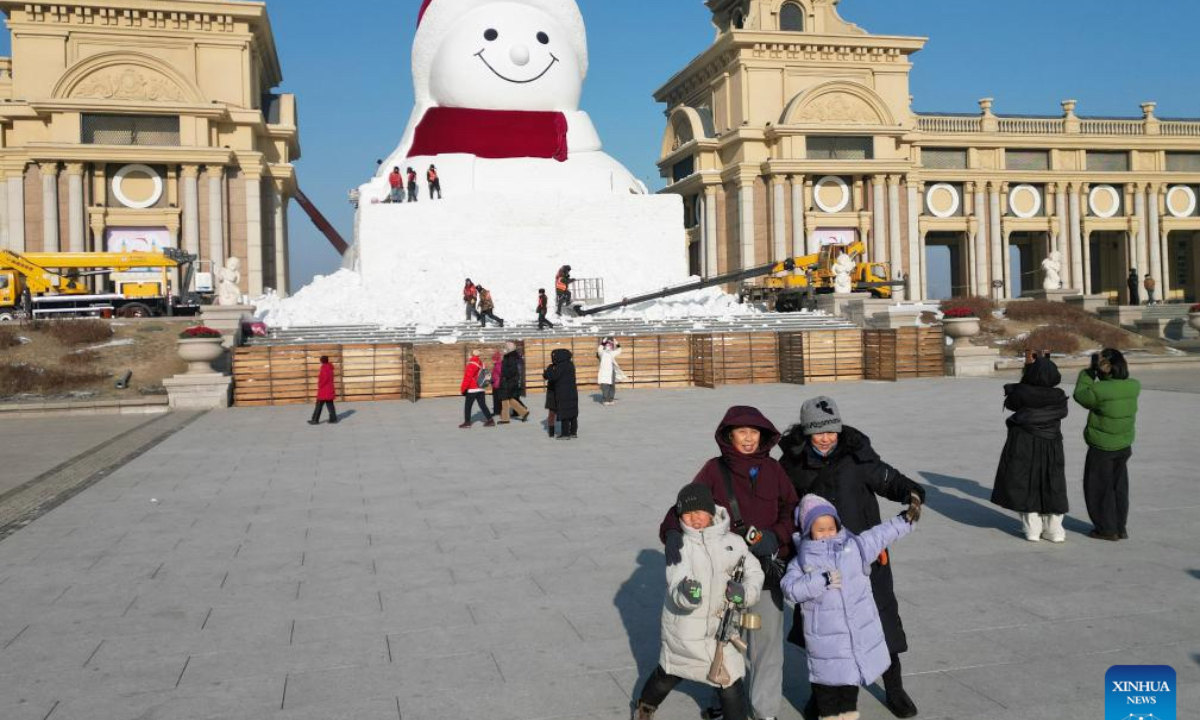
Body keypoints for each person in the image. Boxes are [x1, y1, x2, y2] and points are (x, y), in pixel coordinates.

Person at [778, 396, 925, 719]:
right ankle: (823, 697)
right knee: (822, 635)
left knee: (881, 621)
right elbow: (783, 506)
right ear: (807, 432)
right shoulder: (791, 465)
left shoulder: (856, 455)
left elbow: (888, 479)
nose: (826, 438)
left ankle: (895, 688)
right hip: (817, 563)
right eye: (818, 432)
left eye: (832, 430)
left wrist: (911, 492)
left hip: (864, 556)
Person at [660, 406, 798, 720]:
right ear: (729, 435)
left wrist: (775, 536)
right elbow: (686, 503)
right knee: (722, 638)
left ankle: (765, 711)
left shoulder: (774, 469)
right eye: (742, 432)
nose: (749, 439)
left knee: (766, 646)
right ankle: (724, 701)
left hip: (764, 571)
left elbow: (792, 509)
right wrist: (671, 531)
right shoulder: (714, 469)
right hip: (724, 573)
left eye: (754, 432)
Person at [782, 494, 919, 720]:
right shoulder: (803, 561)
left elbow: (880, 534)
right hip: (825, 650)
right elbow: (790, 588)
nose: (827, 533)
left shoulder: (854, 547)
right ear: (808, 531)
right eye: (820, 529)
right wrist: (821, 580)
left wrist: (906, 520)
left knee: (848, 700)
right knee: (827, 699)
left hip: (852, 648)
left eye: (831, 527)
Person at [633, 483, 764, 720]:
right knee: (668, 674)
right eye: (687, 513)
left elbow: (754, 572)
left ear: (711, 511)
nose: (694, 519)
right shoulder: (680, 545)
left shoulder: (733, 542)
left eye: (699, 512)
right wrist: (688, 594)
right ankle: (645, 707)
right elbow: (676, 581)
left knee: (731, 685)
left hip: (722, 630)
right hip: (686, 631)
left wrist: (744, 592)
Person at [991, 352, 1069, 542]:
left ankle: (1032, 529)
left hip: (1023, 442)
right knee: (1053, 482)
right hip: (1051, 443)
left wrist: (1023, 381)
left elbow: (1011, 403)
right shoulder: (1059, 396)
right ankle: (1055, 530)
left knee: (1024, 482)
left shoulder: (1022, 393)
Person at [1074, 349, 1140, 541]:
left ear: (1107, 367)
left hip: (1102, 447)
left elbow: (1081, 395)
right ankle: (1120, 527)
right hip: (1123, 444)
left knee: (1099, 489)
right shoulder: (1134, 386)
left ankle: (1106, 529)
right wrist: (1103, 373)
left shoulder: (1099, 390)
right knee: (1119, 487)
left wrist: (1088, 373)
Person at [543, 348, 578, 438]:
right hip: (572, 392)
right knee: (572, 413)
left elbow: (554, 377)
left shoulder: (560, 366)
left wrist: (546, 373)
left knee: (564, 412)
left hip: (563, 392)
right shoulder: (570, 364)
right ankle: (573, 432)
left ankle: (565, 433)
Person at [459, 350, 495, 428]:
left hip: (472, 389)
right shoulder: (481, 363)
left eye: (470, 354)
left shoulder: (471, 364)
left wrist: (463, 389)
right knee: (483, 405)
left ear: (472, 355)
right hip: (481, 387)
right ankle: (490, 420)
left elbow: (467, 378)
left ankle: (467, 422)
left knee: (468, 406)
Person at [498, 341, 530, 423]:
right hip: (510, 381)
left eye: (505, 347)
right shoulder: (511, 356)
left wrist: (505, 375)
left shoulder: (510, 357)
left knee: (505, 399)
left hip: (508, 381)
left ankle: (505, 419)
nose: (504, 349)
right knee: (510, 399)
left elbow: (512, 370)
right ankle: (524, 412)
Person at [308, 355, 338, 425]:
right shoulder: (330, 368)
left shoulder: (324, 368)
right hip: (329, 389)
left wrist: (320, 385)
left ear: (322, 361)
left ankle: (315, 420)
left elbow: (323, 380)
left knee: (318, 405)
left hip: (324, 390)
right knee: (330, 405)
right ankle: (333, 419)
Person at [596, 337, 624, 406]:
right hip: (604, 372)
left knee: (612, 385)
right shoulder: (602, 353)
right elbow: (599, 349)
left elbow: (619, 350)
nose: (608, 346)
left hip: (611, 371)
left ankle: (611, 399)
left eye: (610, 345)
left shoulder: (612, 353)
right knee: (605, 386)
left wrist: (616, 343)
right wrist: (603, 342)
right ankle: (605, 399)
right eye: (607, 345)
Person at [490, 349, 504, 418]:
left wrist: (493, 379)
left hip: (497, 384)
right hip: (496, 384)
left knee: (498, 399)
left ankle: (499, 411)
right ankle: (496, 411)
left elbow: (501, 374)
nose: (492, 360)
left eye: (493, 358)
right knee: (496, 399)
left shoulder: (498, 365)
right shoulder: (497, 364)